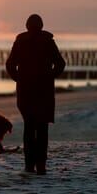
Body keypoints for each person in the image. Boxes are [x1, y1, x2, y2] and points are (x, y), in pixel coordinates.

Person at [5, 14, 66, 175]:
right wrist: (50, 76)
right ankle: (41, 165)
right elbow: (60, 63)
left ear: (27, 26)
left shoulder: (20, 42)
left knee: (29, 127)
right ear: (41, 25)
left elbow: (10, 64)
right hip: (44, 90)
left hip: (26, 90)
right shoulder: (48, 41)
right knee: (42, 128)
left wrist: (18, 78)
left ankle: (29, 165)